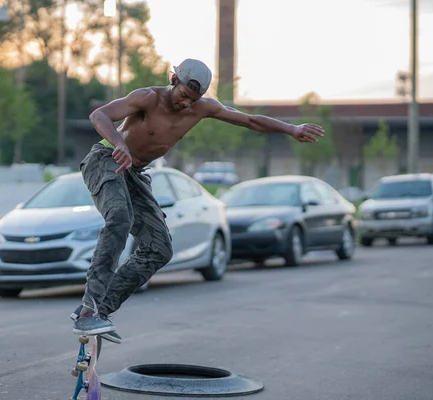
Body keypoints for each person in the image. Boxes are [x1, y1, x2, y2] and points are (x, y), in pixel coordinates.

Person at [70, 59, 325, 344]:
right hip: (107, 158)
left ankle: (101, 312)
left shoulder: (204, 108)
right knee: (119, 217)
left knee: (159, 249)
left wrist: (291, 129)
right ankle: (88, 308)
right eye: (182, 96)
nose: (186, 105)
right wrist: (119, 143)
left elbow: (249, 120)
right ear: (173, 79)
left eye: (193, 100)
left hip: (135, 172)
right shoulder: (147, 97)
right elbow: (100, 115)